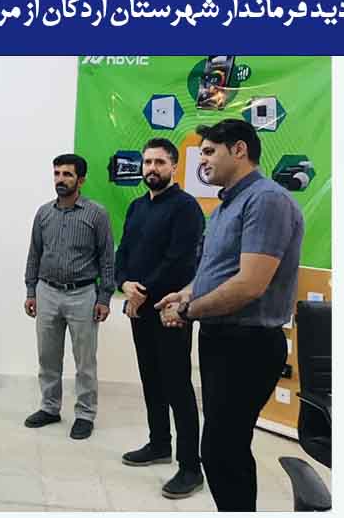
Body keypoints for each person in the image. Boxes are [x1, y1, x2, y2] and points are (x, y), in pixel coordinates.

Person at [155, 119, 304, 511]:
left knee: (223, 450)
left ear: (239, 150)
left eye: (209, 151)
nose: (202, 160)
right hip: (222, 340)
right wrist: (186, 293)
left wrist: (187, 310)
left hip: (248, 344)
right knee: (225, 448)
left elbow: (250, 284)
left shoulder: (266, 200)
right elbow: (215, 271)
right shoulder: (226, 206)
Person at [114, 138, 206, 499]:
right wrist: (123, 284)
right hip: (138, 308)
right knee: (150, 378)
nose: (151, 168)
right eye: (147, 162)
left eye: (159, 162)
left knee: (177, 386)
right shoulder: (137, 206)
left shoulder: (186, 208)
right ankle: (159, 444)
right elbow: (123, 252)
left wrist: (142, 292)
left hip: (170, 310)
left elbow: (180, 260)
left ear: (174, 166)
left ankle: (190, 467)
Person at [23, 153, 115, 440]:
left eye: (67, 174)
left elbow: (107, 258)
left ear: (81, 180)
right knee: (47, 357)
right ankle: (49, 407)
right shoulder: (44, 213)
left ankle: (85, 414)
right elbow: (34, 254)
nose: (60, 179)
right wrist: (31, 291)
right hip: (47, 292)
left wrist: (104, 297)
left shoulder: (96, 214)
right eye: (57, 173)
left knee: (85, 361)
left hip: (83, 295)